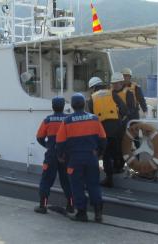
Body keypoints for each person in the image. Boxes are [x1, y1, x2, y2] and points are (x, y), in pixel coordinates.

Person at [56, 93, 106, 222]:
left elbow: (60, 142)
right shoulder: (94, 119)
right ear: (84, 104)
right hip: (91, 158)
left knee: (76, 186)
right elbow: (103, 139)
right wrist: (99, 152)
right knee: (93, 185)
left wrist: (60, 156)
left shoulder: (66, 121)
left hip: (74, 159)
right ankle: (98, 213)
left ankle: (82, 213)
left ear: (72, 106)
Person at [87, 75, 128, 188]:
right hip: (117, 127)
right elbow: (124, 109)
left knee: (106, 154)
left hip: (103, 129)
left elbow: (90, 118)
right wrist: (118, 119)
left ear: (93, 88)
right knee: (117, 150)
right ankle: (119, 169)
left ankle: (109, 179)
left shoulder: (92, 98)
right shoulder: (112, 93)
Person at [34, 96, 73, 214]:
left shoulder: (47, 120)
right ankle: (71, 206)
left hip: (51, 155)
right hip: (65, 156)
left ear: (52, 107)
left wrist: (47, 145)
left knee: (46, 180)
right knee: (67, 181)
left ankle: (43, 206)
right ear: (63, 107)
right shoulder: (68, 119)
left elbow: (39, 137)